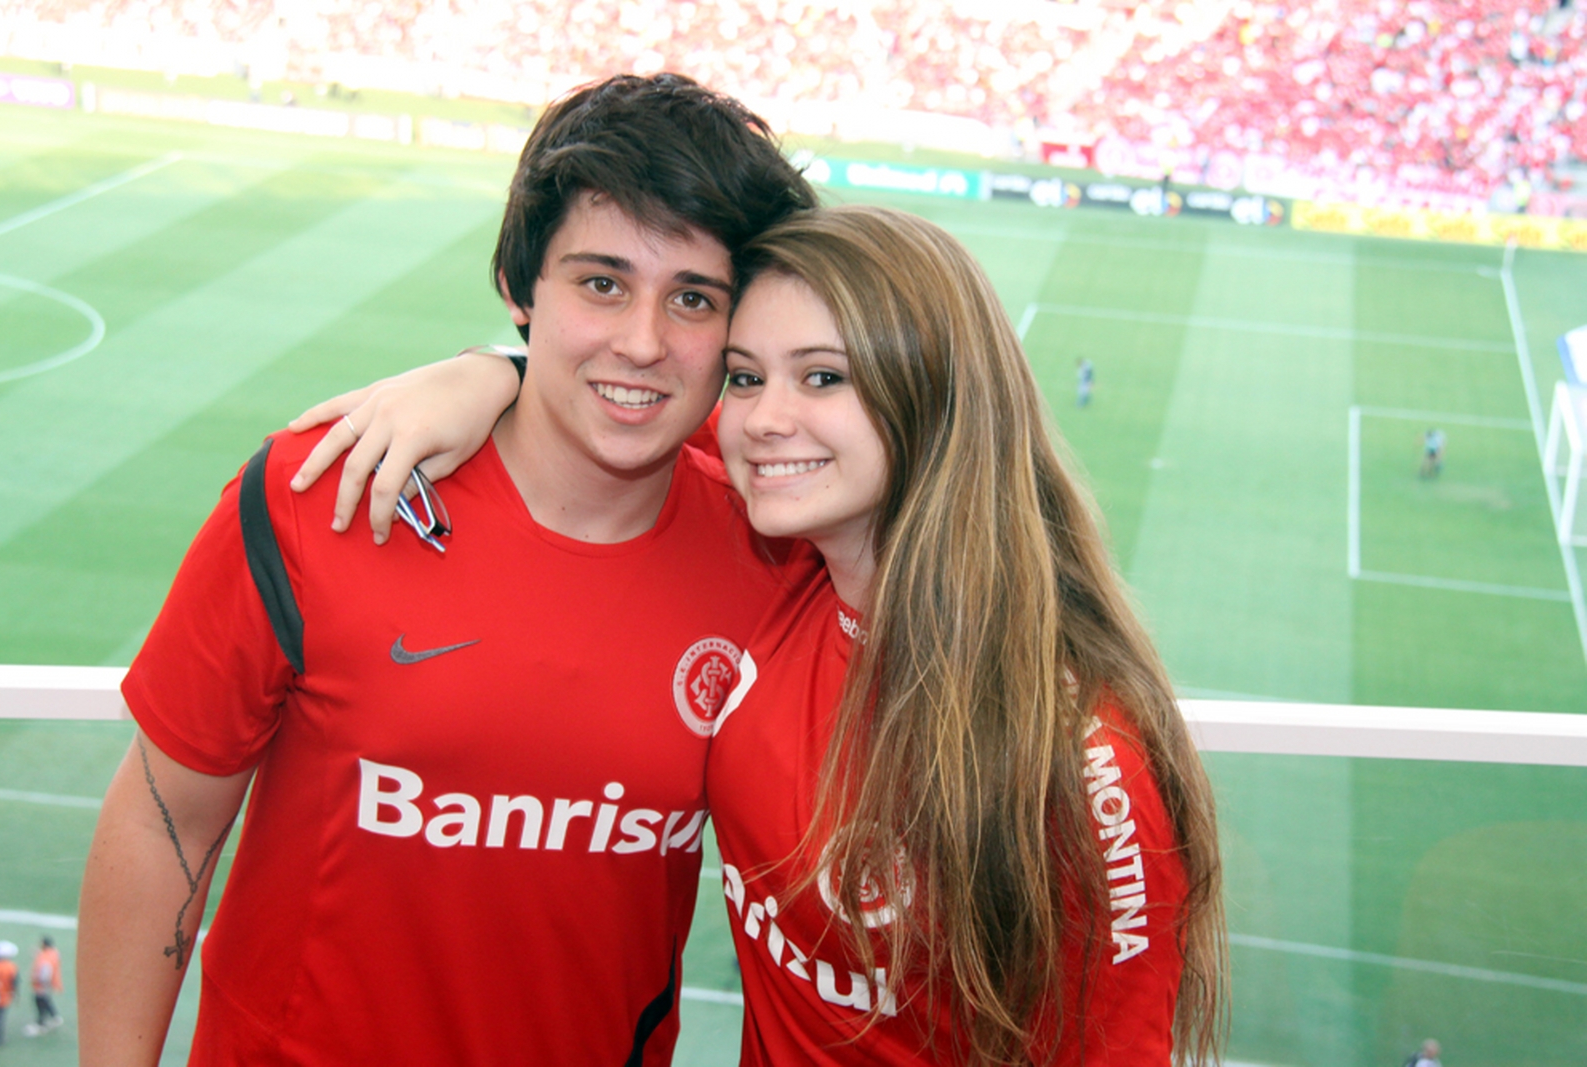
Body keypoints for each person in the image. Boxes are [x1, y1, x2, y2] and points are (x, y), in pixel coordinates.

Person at [300, 205, 1225, 1064]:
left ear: (934, 396)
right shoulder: (789, 563)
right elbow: (619, 396)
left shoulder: (1080, 753)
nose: (765, 419)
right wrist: (489, 372)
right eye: (744, 377)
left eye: (823, 376)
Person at [78, 72, 816, 1066]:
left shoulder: (778, 552)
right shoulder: (320, 493)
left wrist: (492, 370)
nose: (643, 342)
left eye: (693, 299)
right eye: (601, 283)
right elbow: (166, 819)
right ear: (520, 288)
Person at [25, 937, 61, 1036]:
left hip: (42, 985)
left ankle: (41, 1024)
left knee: (40, 1003)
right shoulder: (53, 953)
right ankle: (55, 1017)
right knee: (46, 1001)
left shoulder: (45, 959)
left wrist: (40, 982)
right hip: (49, 984)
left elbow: (45, 971)